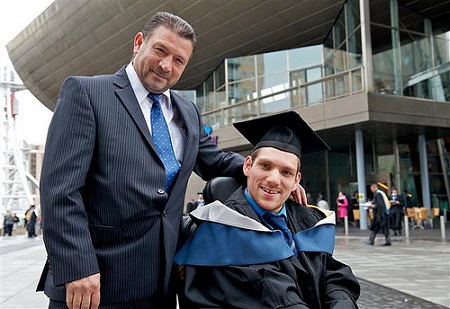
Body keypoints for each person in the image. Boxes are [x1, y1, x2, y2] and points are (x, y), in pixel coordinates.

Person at [37, 11, 308, 309]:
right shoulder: (87, 93)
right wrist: (77, 266)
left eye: (179, 60)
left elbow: (216, 160)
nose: (166, 66)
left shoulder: (186, 111)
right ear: (139, 43)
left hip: (161, 285)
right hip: (95, 284)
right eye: (160, 50)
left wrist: (270, 177)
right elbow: (60, 192)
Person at [175, 111, 360, 308]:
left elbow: (331, 271)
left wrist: (341, 300)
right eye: (265, 165)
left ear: (296, 180)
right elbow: (270, 294)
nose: (273, 179)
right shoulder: (221, 229)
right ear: (247, 166)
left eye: (286, 172)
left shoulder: (307, 219)